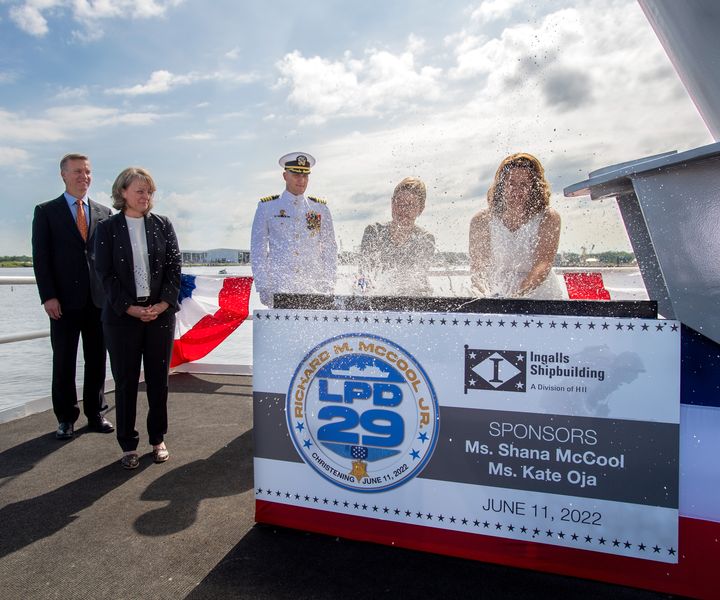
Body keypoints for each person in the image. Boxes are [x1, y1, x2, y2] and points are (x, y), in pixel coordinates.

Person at [94, 167, 181, 470]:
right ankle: (128, 445)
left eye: (149, 191)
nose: (146, 196)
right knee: (126, 382)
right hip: (122, 318)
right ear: (123, 192)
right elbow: (104, 273)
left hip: (160, 315)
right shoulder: (107, 228)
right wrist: (129, 308)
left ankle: (157, 439)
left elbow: (174, 268)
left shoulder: (163, 225)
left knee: (158, 381)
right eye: (140, 191)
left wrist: (163, 304)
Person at [32, 153, 114, 440]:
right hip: (63, 302)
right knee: (64, 360)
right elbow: (41, 258)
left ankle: (96, 413)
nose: (84, 177)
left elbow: (108, 259)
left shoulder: (104, 212)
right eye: (77, 171)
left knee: (97, 359)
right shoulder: (46, 211)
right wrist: (48, 296)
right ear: (63, 175)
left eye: (87, 171)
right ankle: (66, 418)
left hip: (98, 300)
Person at [469, 153, 566, 299]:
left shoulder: (548, 217)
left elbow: (543, 264)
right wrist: (486, 296)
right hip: (496, 294)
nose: (517, 190)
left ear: (534, 187)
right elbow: (478, 268)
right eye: (511, 183)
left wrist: (516, 297)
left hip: (540, 295)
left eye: (524, 184)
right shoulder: (481, 220)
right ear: (501, 185)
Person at [250, 152, 337, 307]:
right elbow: (258, 250)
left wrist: (329, 284)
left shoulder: (320, 208)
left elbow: (330, 249)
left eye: (305, 176)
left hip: (314, 289)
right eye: (296, 175)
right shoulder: (267, 207)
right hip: (280, 288)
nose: (301, 180)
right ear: (285, 176)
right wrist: (263, 286)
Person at [358, 177, 435, 296]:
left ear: (421, 209)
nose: (403, 209)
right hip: (377, 298)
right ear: (392, 203)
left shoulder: (425, 239)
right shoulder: (374, 232)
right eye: (399, 202)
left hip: (414, 299)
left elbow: (418, 281)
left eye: (411, 205)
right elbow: (363, 276)